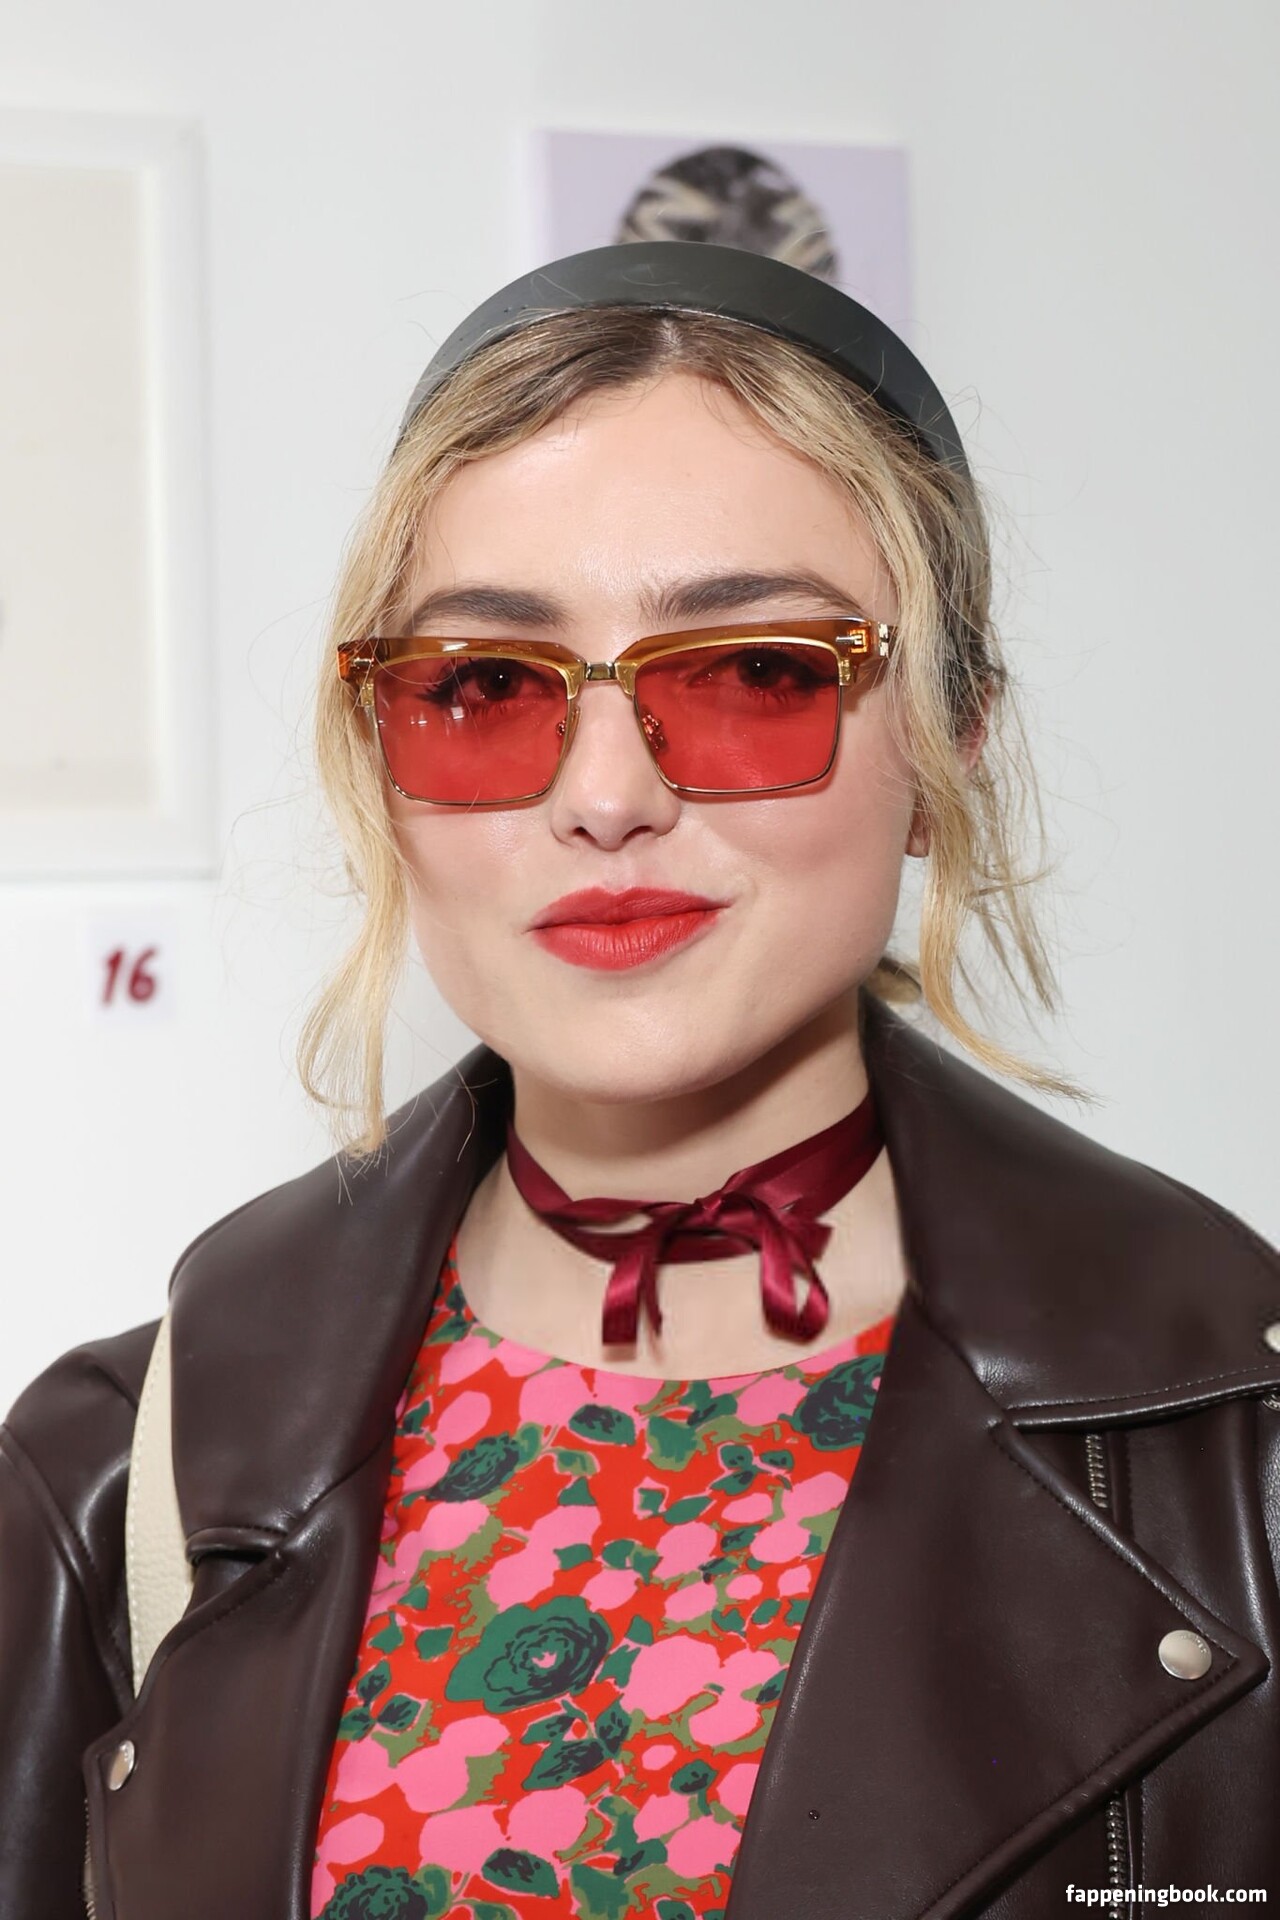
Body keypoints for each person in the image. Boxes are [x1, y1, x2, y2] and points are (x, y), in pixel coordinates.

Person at [2, 242, 1278, 1920]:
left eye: (755, 673)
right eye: (483, 688)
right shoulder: (125, 1472)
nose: (606, 796)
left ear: (950, 738)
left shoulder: (1240, 1460)